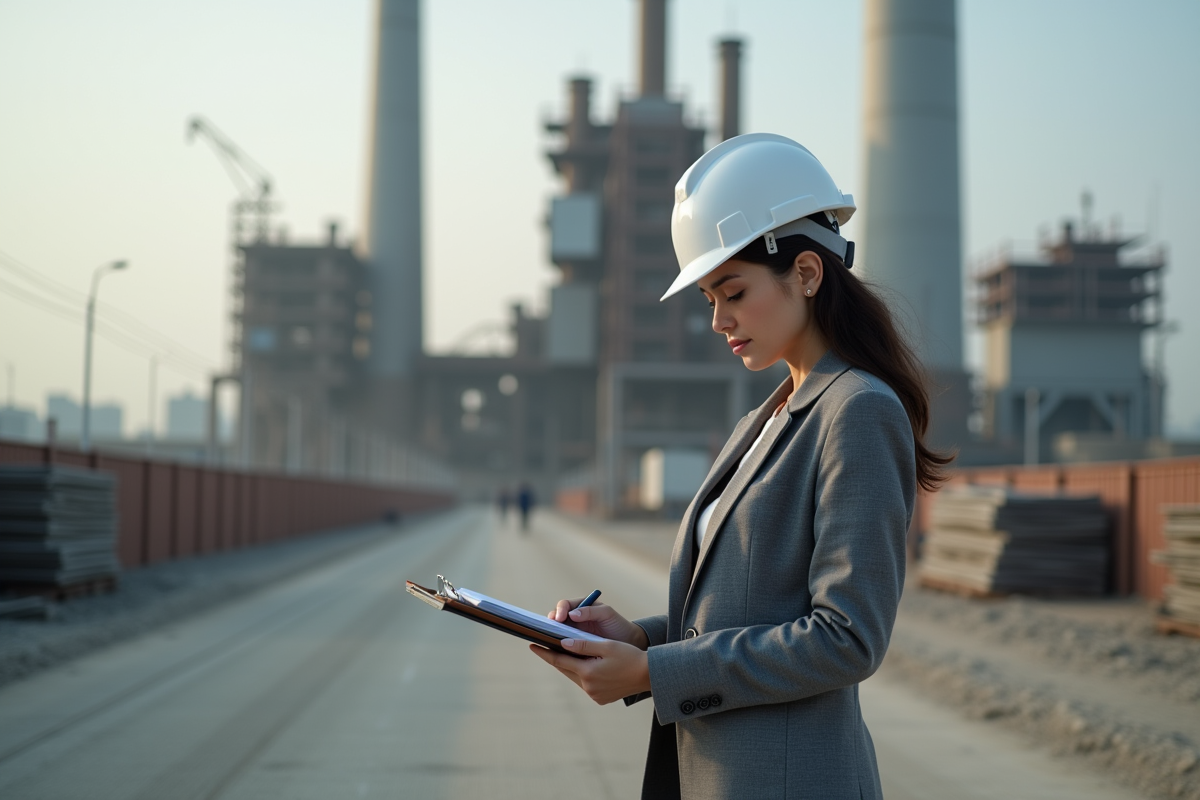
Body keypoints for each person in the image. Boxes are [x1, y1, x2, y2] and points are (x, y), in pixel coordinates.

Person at [530, 133, 951, 799]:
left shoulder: (859, 413)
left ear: (807, 274)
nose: (720, 320)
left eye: (733, 291)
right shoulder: (762, 421)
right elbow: (747, 606)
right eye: (709, 300)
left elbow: (846, 638)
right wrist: (637, 639)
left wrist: (651, 675)